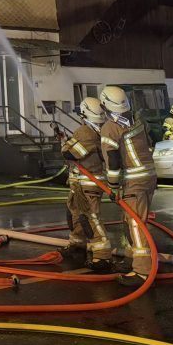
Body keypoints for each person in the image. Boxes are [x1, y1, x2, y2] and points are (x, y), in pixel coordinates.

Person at [98, 84, 157, 287]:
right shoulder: (138, 120)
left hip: (134, 181)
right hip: (149, 176)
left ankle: (142, 271)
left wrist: (113, 187)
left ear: (104, 105)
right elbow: (151, 141)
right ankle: (131, 258)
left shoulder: (110, 128)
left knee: (135, 223)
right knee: (130, 219)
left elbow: (113, 162)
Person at [60, 97, 113, 271]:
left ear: (84, 113)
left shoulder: (85, 132)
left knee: (90, 218)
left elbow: (70, 154)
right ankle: (77, 245)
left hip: (86, 184)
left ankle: (102, 256)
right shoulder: (102, 130)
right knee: (76, 215)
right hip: (84, 184)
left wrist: (65, 143)